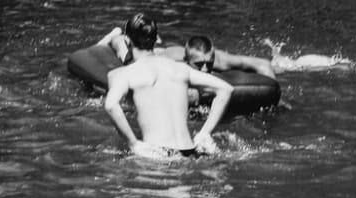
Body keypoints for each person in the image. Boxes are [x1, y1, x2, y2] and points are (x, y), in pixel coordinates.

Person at [103, 13, 234, 159]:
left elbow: (110, 105)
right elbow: (226, 89)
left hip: (158, 156)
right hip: (191, 153)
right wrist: (204, 133)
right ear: (156, 39)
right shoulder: (180, 69)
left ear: (127, 41)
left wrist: (133, 143)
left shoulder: (126, 73)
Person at [158, 34, 276, 80]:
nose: (205, 69)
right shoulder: (172, 61)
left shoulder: (219, 61)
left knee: (276, 67)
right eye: (199, 65)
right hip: (162, 52)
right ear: (187, 61)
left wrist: (274, 96)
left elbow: (264, 64)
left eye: (209, 64)